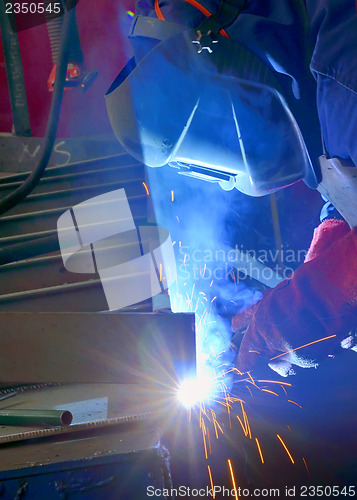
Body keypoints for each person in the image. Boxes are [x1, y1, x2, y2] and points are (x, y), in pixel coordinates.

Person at [110, 0, 357, 375]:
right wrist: (336, 235)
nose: (227, 187)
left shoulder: (344, 71)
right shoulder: (317, 77)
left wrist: (316, 298)